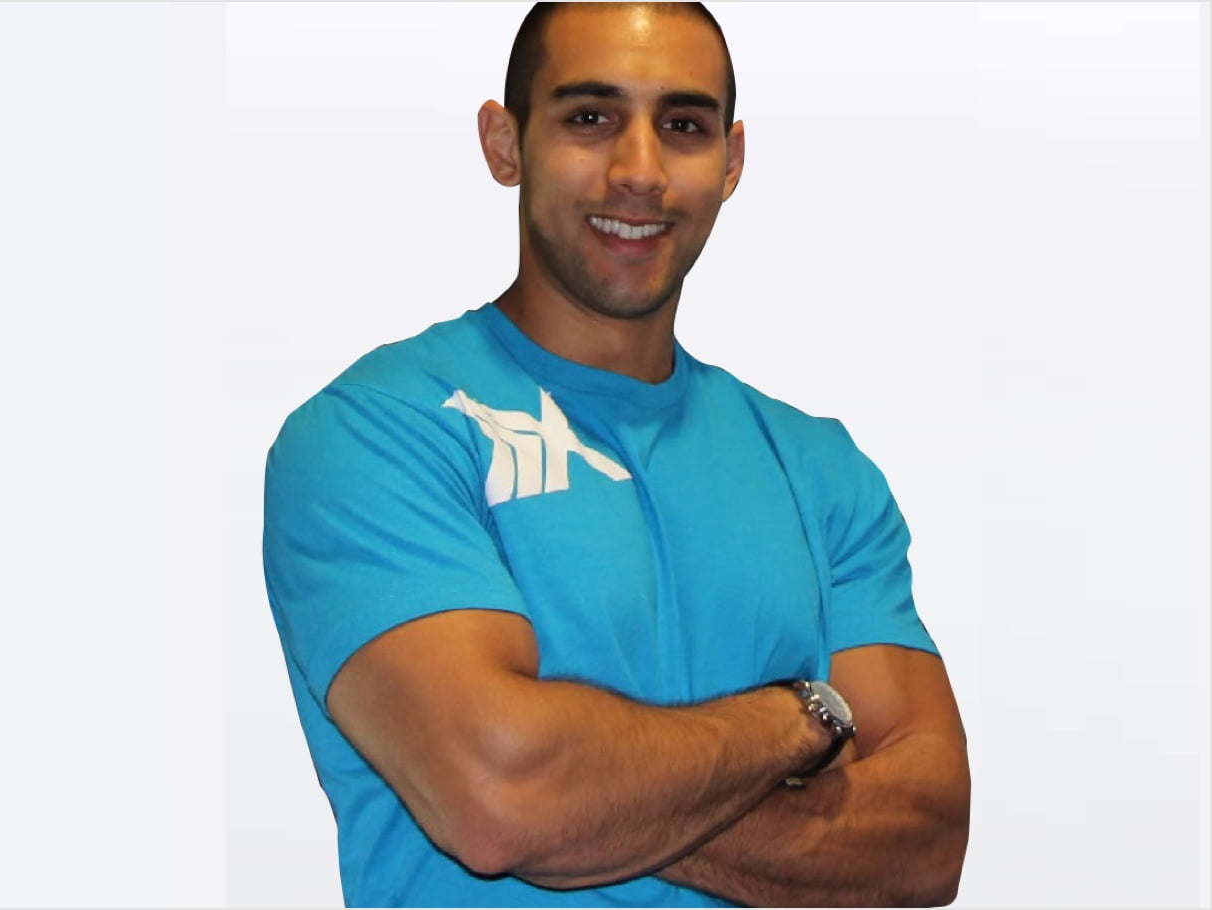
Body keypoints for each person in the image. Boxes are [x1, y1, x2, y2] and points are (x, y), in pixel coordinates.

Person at [262, 2, 971, 906]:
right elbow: (502, 798)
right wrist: (804, 716)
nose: (639, 171)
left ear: (731, 161)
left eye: (683, 126)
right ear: (505, 144)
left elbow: (927, 843)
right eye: (591, 117)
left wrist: (590, 801)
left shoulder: (819, 470)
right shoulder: (378, 433)